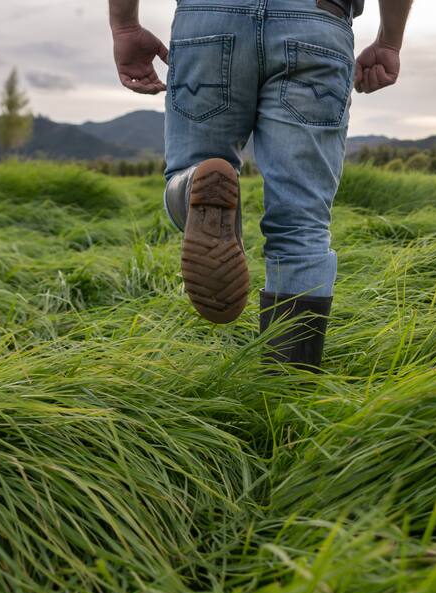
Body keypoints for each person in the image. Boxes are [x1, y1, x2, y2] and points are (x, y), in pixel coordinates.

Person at [109, 0, 411, 369]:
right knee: (301, 227)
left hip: (209, 16)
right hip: (318, 20)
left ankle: (191, 189)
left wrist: (125, 26)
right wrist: (388, 41)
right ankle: (288, 392)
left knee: (191, 168)